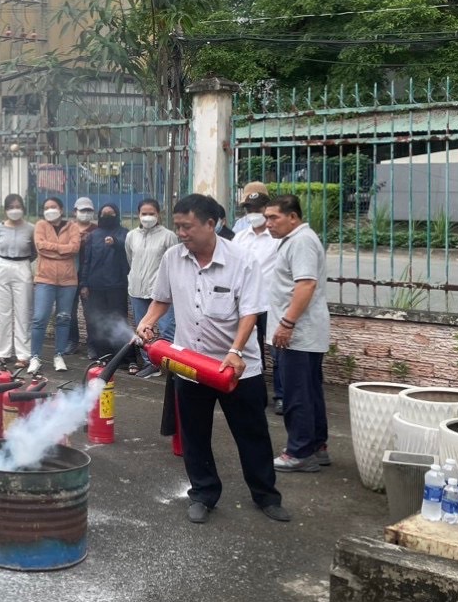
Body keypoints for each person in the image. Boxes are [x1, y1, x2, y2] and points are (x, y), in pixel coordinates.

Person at [137, 193, 289, 525]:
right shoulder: (172, 259)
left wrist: (235, 352)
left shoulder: (242, 260)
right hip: (191, 365)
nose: (181, 234)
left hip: (236, 367)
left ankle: (266, 495)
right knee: (194, 434)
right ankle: (204, 494)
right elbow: (161, 300)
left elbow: (250, 313)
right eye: (177, 227)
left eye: (187, 226)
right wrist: (148, 321)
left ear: (211, 224)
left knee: (252, 434)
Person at [264, 194, 332, 473]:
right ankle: (317, 445)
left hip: (298, 334)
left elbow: (305, 285)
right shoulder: (295, 240)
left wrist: (287, 323)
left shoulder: (301, 241)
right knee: (310, 391)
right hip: (303, 333)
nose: (268, 223)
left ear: (293, 217)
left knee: (297, 394)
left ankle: (299, 451)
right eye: (266, 217)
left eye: (273, 217)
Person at [232, 186, 282, 412]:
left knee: (276, 350)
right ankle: (257, 393)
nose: (253, 213)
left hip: (272, 302)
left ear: (267, 209)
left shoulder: (278, 239)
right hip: (246, 303)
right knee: (252, 348)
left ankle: (281, 395)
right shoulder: (240, 237)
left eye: (257, 209)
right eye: (249, 209)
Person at [125, 198, 179, 377]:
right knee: (143, 330)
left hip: (161, 292)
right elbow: (130, 258)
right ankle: (150, 364)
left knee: (167, 328)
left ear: (159, 215)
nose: (147, 217)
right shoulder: (132, 235)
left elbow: (174, 262)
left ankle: (172, 365)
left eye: (151, 214)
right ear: (138, 215)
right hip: (137, 290)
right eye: (144, 214)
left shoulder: (168, 235)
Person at [30, 196, 84, 375]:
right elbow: (40, 247)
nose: (49, 210)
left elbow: (75, 248)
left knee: (63, 318)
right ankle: (35, 357)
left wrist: (52, 249)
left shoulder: (73, 227)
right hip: (45, 279)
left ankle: (59, 355)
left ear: (61, 209)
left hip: (68, 281)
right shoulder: (40, 226)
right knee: (39, 318)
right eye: (46, 207)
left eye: (53, 207)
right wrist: (62, 249)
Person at [79, 202, 131, 362]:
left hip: (117, 285)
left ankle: (123, 356)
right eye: (104, 213)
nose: (108, 216)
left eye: (111, 213)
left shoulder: (124, 233)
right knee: (99, 321)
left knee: (118, 319)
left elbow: (128, 252)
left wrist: (116, 243)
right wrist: (84, 284)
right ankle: (103, 354)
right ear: (100, 215)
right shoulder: (93, 235)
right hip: (96, 286)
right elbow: (87, 261)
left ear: (117, 215)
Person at [0, 193, 36, 369]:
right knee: (2, 314)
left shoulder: (31, 229)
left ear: (23, 208)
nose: (14, 210)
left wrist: (23, 263)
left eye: (18, 206)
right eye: (11, 207)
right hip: (2, 266)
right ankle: (2, 353)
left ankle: (23, 355)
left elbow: (34, 251)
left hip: (22, 266)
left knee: (23, 312)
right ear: (5, 210)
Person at [65, 196, 97, 353]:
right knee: (69, 312)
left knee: (90, 312)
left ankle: (92, 344)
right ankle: (72, 341)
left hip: (89, 278)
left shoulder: (96, 230)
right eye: (82, 210)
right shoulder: (67, 229)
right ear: (75, 211)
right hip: (69, 276)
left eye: (89, 210)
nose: (86, 213)